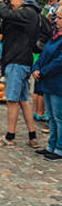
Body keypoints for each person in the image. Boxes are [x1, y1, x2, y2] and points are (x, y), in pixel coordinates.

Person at [0, 0, 40, 148]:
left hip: (17, 61)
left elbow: (6, 14)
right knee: (22, 100)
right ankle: (32, 135)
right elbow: (6, 22)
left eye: (10, 0)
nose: (9, 4)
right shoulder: (26, 14)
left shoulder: (27, 12)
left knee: (12, 100)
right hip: (20, 60)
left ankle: (9, 137)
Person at [32, 14, 62, 161]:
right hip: (48, 82)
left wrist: (42, 72)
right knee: (51, 117)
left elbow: (59, 61)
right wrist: (36, 67)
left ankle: (59, 148)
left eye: (60, 18)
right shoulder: (55, 36)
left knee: (58, 117)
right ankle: (51, 146)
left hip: (57, 82)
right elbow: (44, 54)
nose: (56, 20)